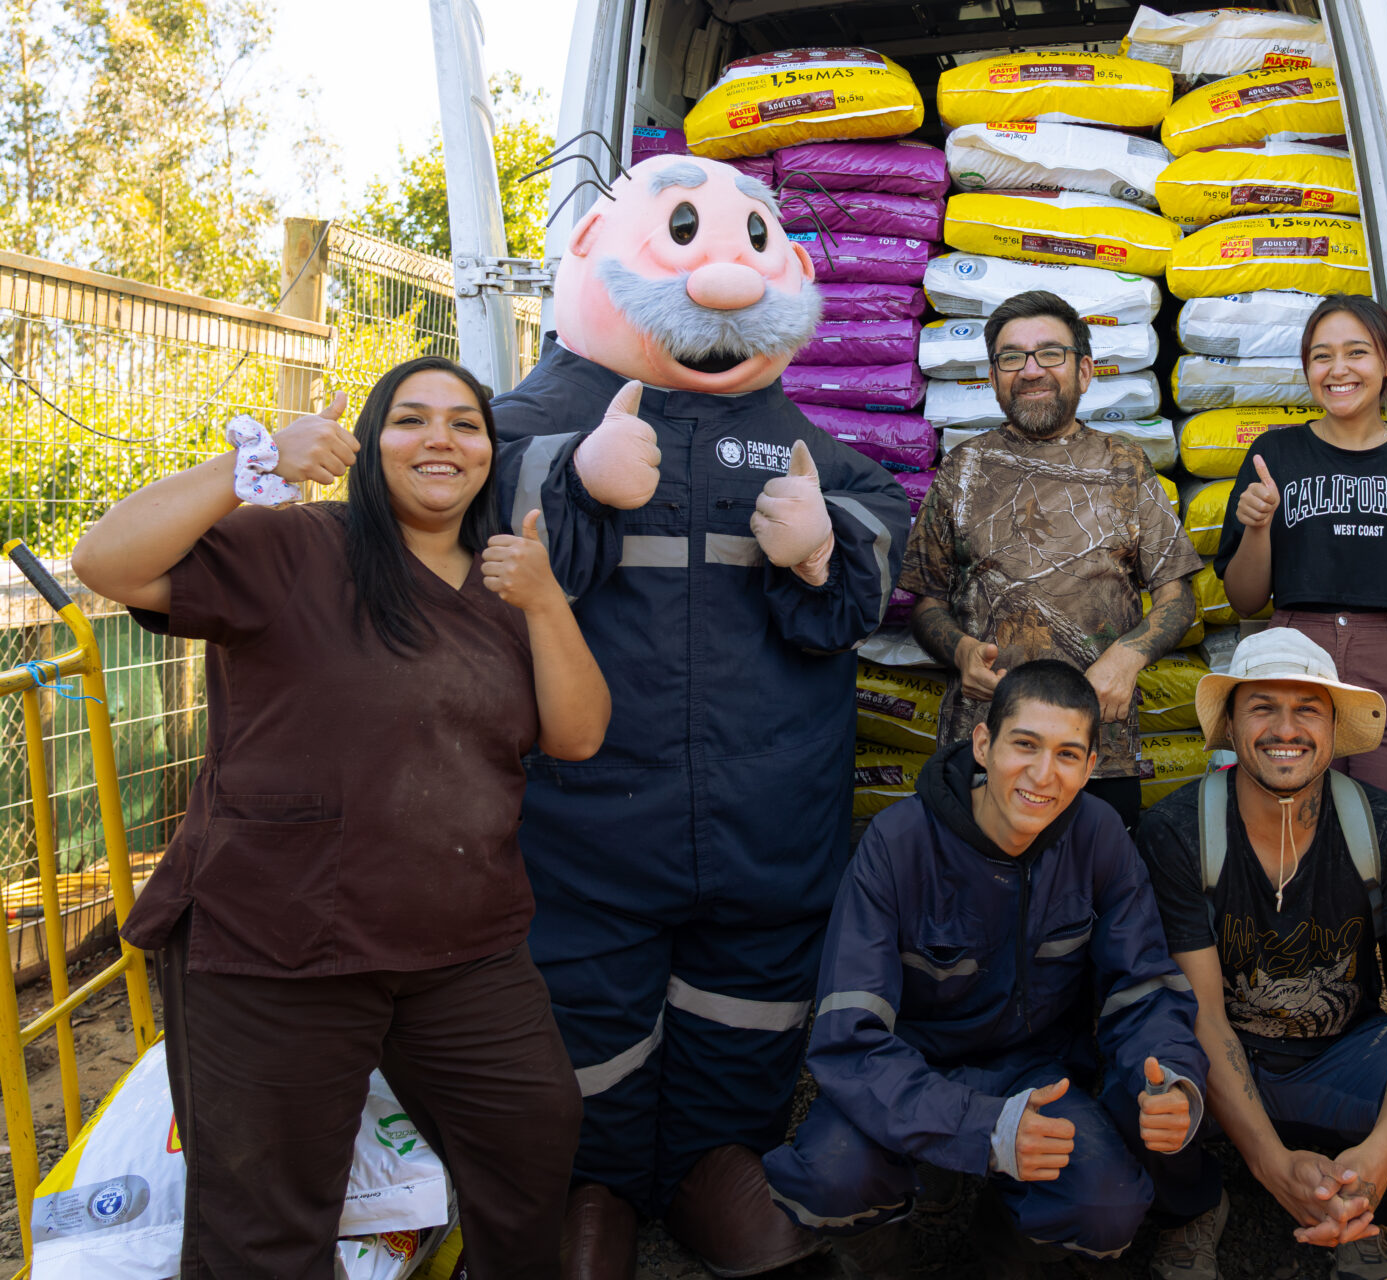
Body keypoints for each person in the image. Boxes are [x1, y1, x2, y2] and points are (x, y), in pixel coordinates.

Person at [69, 355, 609, 1278]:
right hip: (279, 939)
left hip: (463, 944)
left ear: (489, 452)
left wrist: (548, 599)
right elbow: (103, 562)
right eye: (411, 419)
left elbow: (577, 736)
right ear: (366, 445)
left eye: (466, 423)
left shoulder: (506, 583)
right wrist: (257, 467)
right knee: (267, 1219)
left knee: (531, 1138)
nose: (441, 438)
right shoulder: (296, 547)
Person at [487, 154, 911, 1278]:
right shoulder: (521, 424)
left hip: (764, 820)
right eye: (682, 234)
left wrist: (826, 543)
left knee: (750, 1008)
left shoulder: (801, 441)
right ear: (588, 254)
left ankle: (717, 1163)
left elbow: (876, 525)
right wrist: (564, 476)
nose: (722, 275)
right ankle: (596, 1189)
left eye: (746, 241)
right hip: (585, 823)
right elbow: (447, 498)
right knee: (585, 1013)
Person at [763, 661, 1209, 1277]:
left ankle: (999, 1251)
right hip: (911, 1070)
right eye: (1024, 744)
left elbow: (1144, 988)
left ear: (1090, 767)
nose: (1042, 775)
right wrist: (982, 1127)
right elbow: (848, 1042)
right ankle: (894, 1266)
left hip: (1040, 1075)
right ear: (982, 743)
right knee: (833, 1175)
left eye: (1068, 755)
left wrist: (1172, 1079)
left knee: (1106, 1205)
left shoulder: (1100, 837)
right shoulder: (897, 844)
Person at [1131, 629, 1387, 1280]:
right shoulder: (1178, 830)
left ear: (1332, 727)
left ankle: (1361, 1206)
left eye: (1307, 709)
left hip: (1340, 1057)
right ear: (1232, 721)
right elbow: (1204, 1017)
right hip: (1222, 1063)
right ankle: (1197, 1206)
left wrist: (1380, 1159)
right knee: (1141, 1092)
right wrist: (1273, 1164)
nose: (1285, 728)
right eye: (1263, 706)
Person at [901, 289, 1200, 831]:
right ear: (993, 376)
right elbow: (926, 602)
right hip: (983, 748)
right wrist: (962, 650)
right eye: (1011, 357)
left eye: (1050, 354)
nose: (1030, 370)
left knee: (1092, 902)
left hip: (1096, 755)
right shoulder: (964, 468)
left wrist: (1127, 657)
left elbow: (1179, 598)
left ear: (1084, 371)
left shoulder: (1125, 465)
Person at [1217, 292, 1387, 865]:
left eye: (1356, 352)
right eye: (1321, 356)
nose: (1338, 369)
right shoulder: (1276, 454)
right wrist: (1258, 528)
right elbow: (1246, 598)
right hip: (1293, 660)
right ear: (1306, 369)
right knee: (1293, 847)